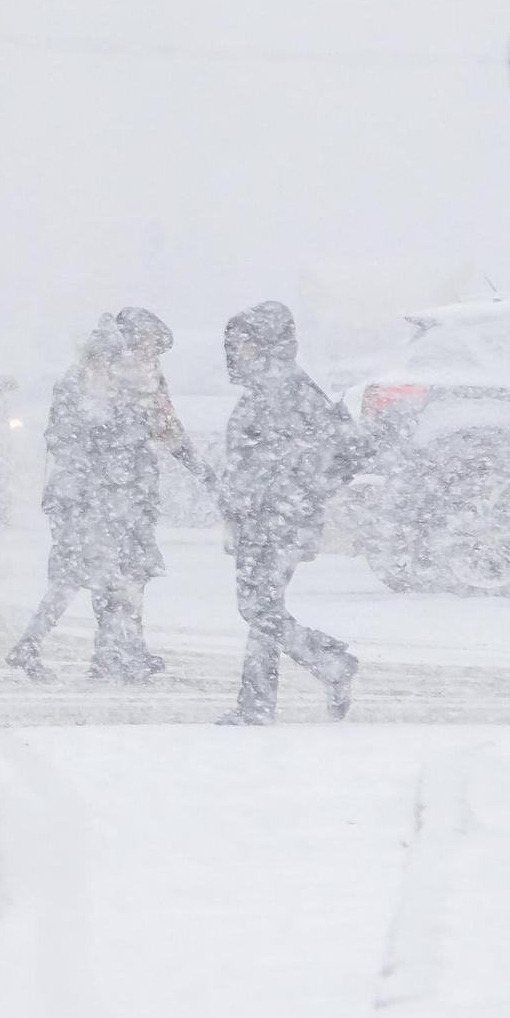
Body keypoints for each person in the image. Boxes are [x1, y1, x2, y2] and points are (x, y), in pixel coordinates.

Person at [7, 307, 206, 683]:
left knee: (123, 574)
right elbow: (67, 440)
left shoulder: (139, 383)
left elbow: (166, 430)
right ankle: (43, 645)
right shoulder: (85, 386)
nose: (152, 355)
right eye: (146, 346)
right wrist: (103, 469)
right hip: (95, 497)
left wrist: (199, 472)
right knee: (84, 576)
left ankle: (118, 650)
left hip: (123, 496)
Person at [215, 300, 364, 724]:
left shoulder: (283, 388)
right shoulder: (275, 386)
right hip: (270, 514)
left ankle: (319, 671)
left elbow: (342, 449)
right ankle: (261, 702)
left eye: (244, 343)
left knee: (258, 609)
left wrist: (290, 485)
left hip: (275, 516)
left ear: (266, 343)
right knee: (262, 609)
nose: (236, 351)